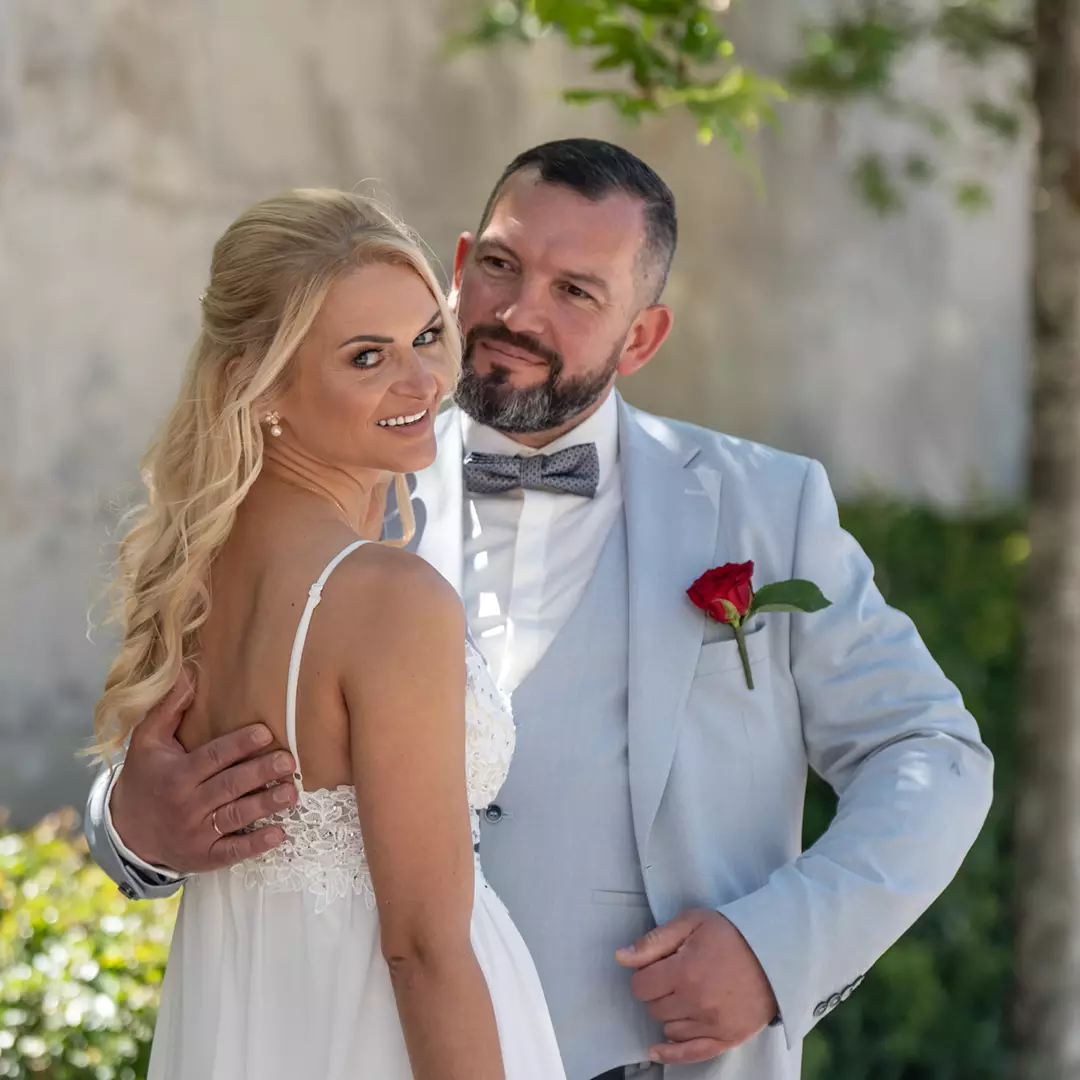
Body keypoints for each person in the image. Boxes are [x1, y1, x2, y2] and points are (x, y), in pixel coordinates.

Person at [86, 140, 994, 1080]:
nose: (518, 314)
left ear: (640, 336)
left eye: (576, 292)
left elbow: (931, 752)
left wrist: (780, 949)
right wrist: (134, 829)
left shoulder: (767, 506)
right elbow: (175, 737)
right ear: (455, 265)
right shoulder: (335, 476)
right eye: (501, 268)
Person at [89, 188, 566, 1080]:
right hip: (385, 1039)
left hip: (249, 1021)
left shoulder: (194, 574)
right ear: (261, 383)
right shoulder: (387, 598)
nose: (423, 381)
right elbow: (423, 950)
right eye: (364, 356)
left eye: (428, 335)